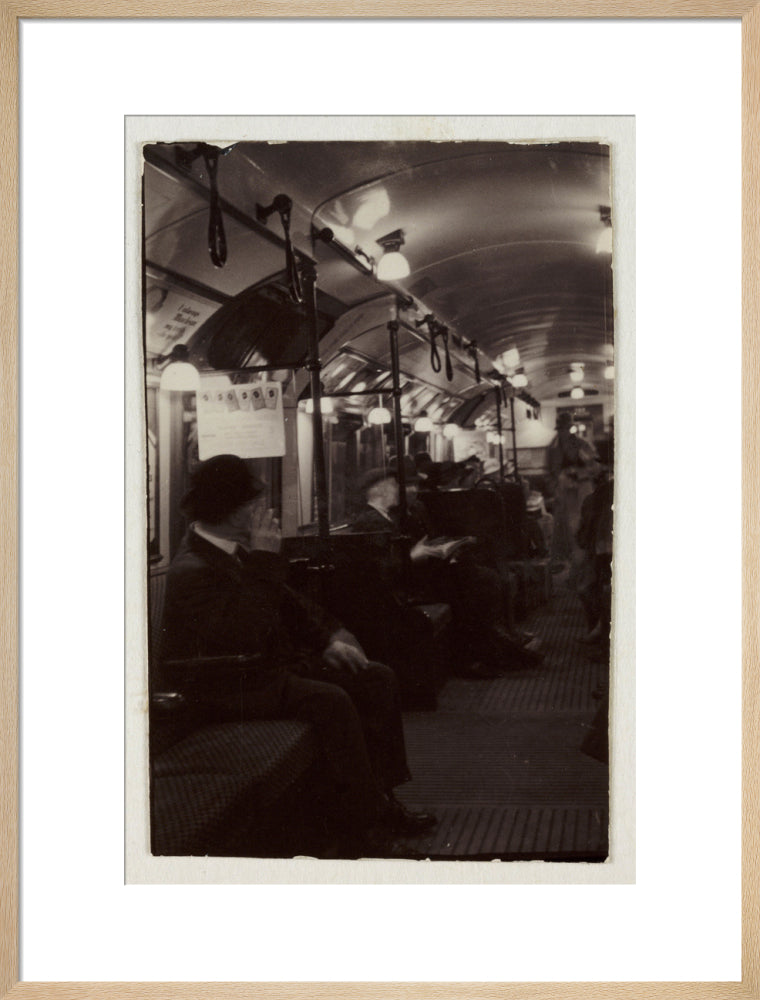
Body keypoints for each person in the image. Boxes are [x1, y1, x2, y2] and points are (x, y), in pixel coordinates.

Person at [159, 454, 436, 858]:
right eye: (253, 504)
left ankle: (382, 798)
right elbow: (245, 634)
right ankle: (362, 824)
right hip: (227, 685)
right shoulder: (194, 568)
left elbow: (289, 606)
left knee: (375, 678)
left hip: (261, 671)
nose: (262, 512)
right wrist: (265, 559)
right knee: (331, 700)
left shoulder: (231, 551)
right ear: (231, 510)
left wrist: (327, 642)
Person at [350, 460, 542, 675]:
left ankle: (492, 649)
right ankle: (483, 654)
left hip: (413, 578)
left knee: (472, 579)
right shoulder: (371, 522)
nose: (400, 490)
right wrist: (413, 556)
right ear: (378, 490)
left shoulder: (389, 516)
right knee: (469, 586)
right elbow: (382, 567)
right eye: (395, 485)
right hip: (402, 589)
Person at [546, 411, 600, 573]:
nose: (563, 432)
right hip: (563, 494)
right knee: (563, 531)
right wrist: (555, 489)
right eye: (561, 429)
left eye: (566, 428)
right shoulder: (552, 448)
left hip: (582, 492)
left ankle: (584, 567)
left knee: (581, 527)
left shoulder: (583, 445)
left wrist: (578, 473)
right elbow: (549, 473)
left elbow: (595, 468)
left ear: (570, 428)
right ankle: (570, 567)